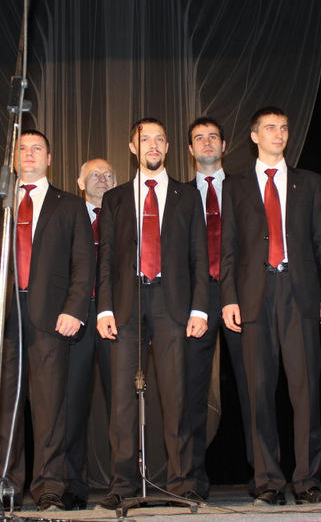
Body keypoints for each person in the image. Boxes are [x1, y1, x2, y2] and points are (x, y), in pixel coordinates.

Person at [0, 131, 95, 512]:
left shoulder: (70, 205)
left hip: (51, 317)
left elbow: (83, 263)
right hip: (3, 317)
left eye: (36, 149)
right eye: (22, 149)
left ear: (49, 158)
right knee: (5, 408)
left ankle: (50, 486)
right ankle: (6, 487)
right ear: (14, 158)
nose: (28, 154)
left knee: (50, 407)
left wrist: (74, 310)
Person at [220, 106, 321, 506]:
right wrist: (228, 298)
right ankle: (268, 481)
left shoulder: (309, 182)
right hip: (253, 295)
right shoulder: (234, 186)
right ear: (254, 136)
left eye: (284, 128)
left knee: (305, 390)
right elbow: (228, 248)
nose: (279, 134)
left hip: (299, 292)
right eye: (270, 128)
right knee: (258, 391)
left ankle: (306, 481)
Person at [96, 118, 209, 509]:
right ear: (133, 147)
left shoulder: (187, 196)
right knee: (123, 400)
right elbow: (106, 259)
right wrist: (104, 308)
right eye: (146, 140)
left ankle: (183, 483)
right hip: (126, 304)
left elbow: (199, 255)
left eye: (161, 138)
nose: (154, 145)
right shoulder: (115, 198)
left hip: (172, 303)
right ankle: (122, 485)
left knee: (177, 396)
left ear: (168, 147)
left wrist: (200, 308)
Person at [185, 116, 254, 499]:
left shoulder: (246, 188)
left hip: (242, 296)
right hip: (195, 301)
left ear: (225, 145)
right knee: (191, 392)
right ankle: (191, 480)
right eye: (199, 138)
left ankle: (264, 477)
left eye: (213, 136)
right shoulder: (178, 194)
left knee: (253, 388)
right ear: (190, 149)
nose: (207, 142)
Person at [63, 158, 116, 510]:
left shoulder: (125, 215)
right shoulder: (66, 214)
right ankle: (72, 485)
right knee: (71, 404)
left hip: (116, 318)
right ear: (80, 182)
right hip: (76, 318)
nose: (102, 180)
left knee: (122, 405)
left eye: (108, 175)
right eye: (94, 175)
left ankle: (122, 483)